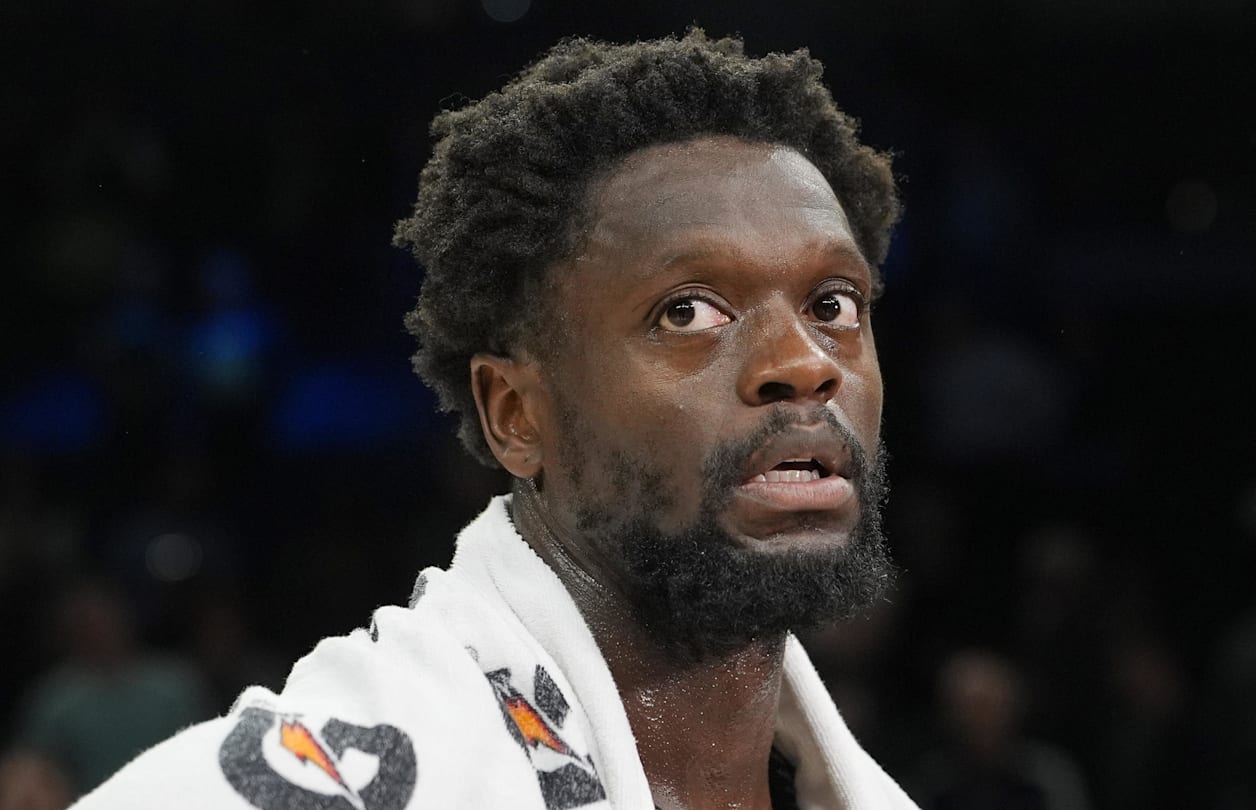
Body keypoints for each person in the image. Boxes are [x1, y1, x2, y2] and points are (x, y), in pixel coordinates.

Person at [73, 29, 914, 809]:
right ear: (516, 415)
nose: (805, 362)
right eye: (689, 313)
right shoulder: (339, 776)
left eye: (834, 302)